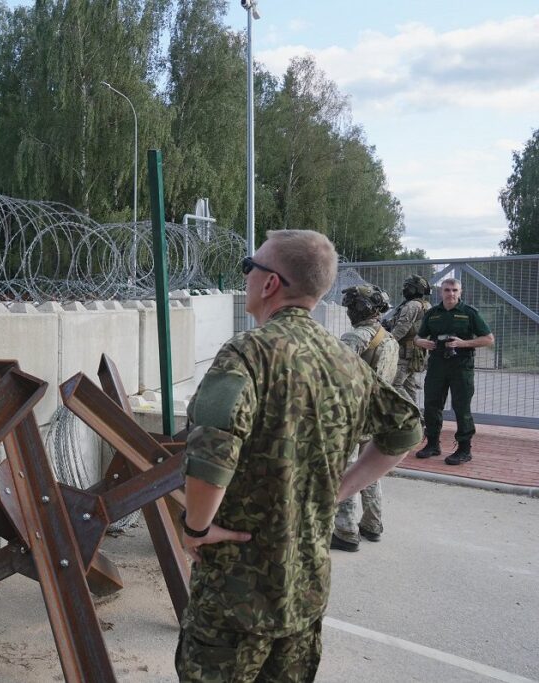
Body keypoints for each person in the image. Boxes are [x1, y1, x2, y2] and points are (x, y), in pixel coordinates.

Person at [176, 230, 422, 682]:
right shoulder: (344, 359)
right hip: (304, 590)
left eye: (249, 267)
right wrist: (341, 489)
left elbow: (213, 452)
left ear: (270, 283)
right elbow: (406, 430)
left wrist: (196, 527)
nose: (246, 276)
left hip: (235, 595)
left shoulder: (246, 354)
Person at [331, 284, 400, 553]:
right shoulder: (389, 338)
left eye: (351, 306)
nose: (349, 311)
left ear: (360, 308)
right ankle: (372, 523)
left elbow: (335, 377)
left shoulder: (355, 337)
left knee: (346, 471)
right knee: (369, 469)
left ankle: (346, 531)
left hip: (353, 415)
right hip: (377, 414)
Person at [413, 277, 495, 465]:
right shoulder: (432, 313)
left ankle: (464, 450)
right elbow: (418, 337)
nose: (451, 293)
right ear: (441, 292)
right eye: (447, 290)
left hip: (461, 366)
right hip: (437, 365)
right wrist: (421, 342)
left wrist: (463, 343)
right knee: (432, 405)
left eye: (454, 290)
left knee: (461, 407)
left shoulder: (469, 313)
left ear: (460, 292)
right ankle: (432, 444)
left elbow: (488, 339)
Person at [384, 275, 431, 402]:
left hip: (405, 352)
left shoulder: (412, 305)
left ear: (416, 289)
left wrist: (388, 341)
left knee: (395, 385)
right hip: (416, 352)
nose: (404, 289)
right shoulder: (426, 305)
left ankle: (412, 411)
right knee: (408, 385)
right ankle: (415, 412)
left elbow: (402, 328)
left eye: (407, 287)